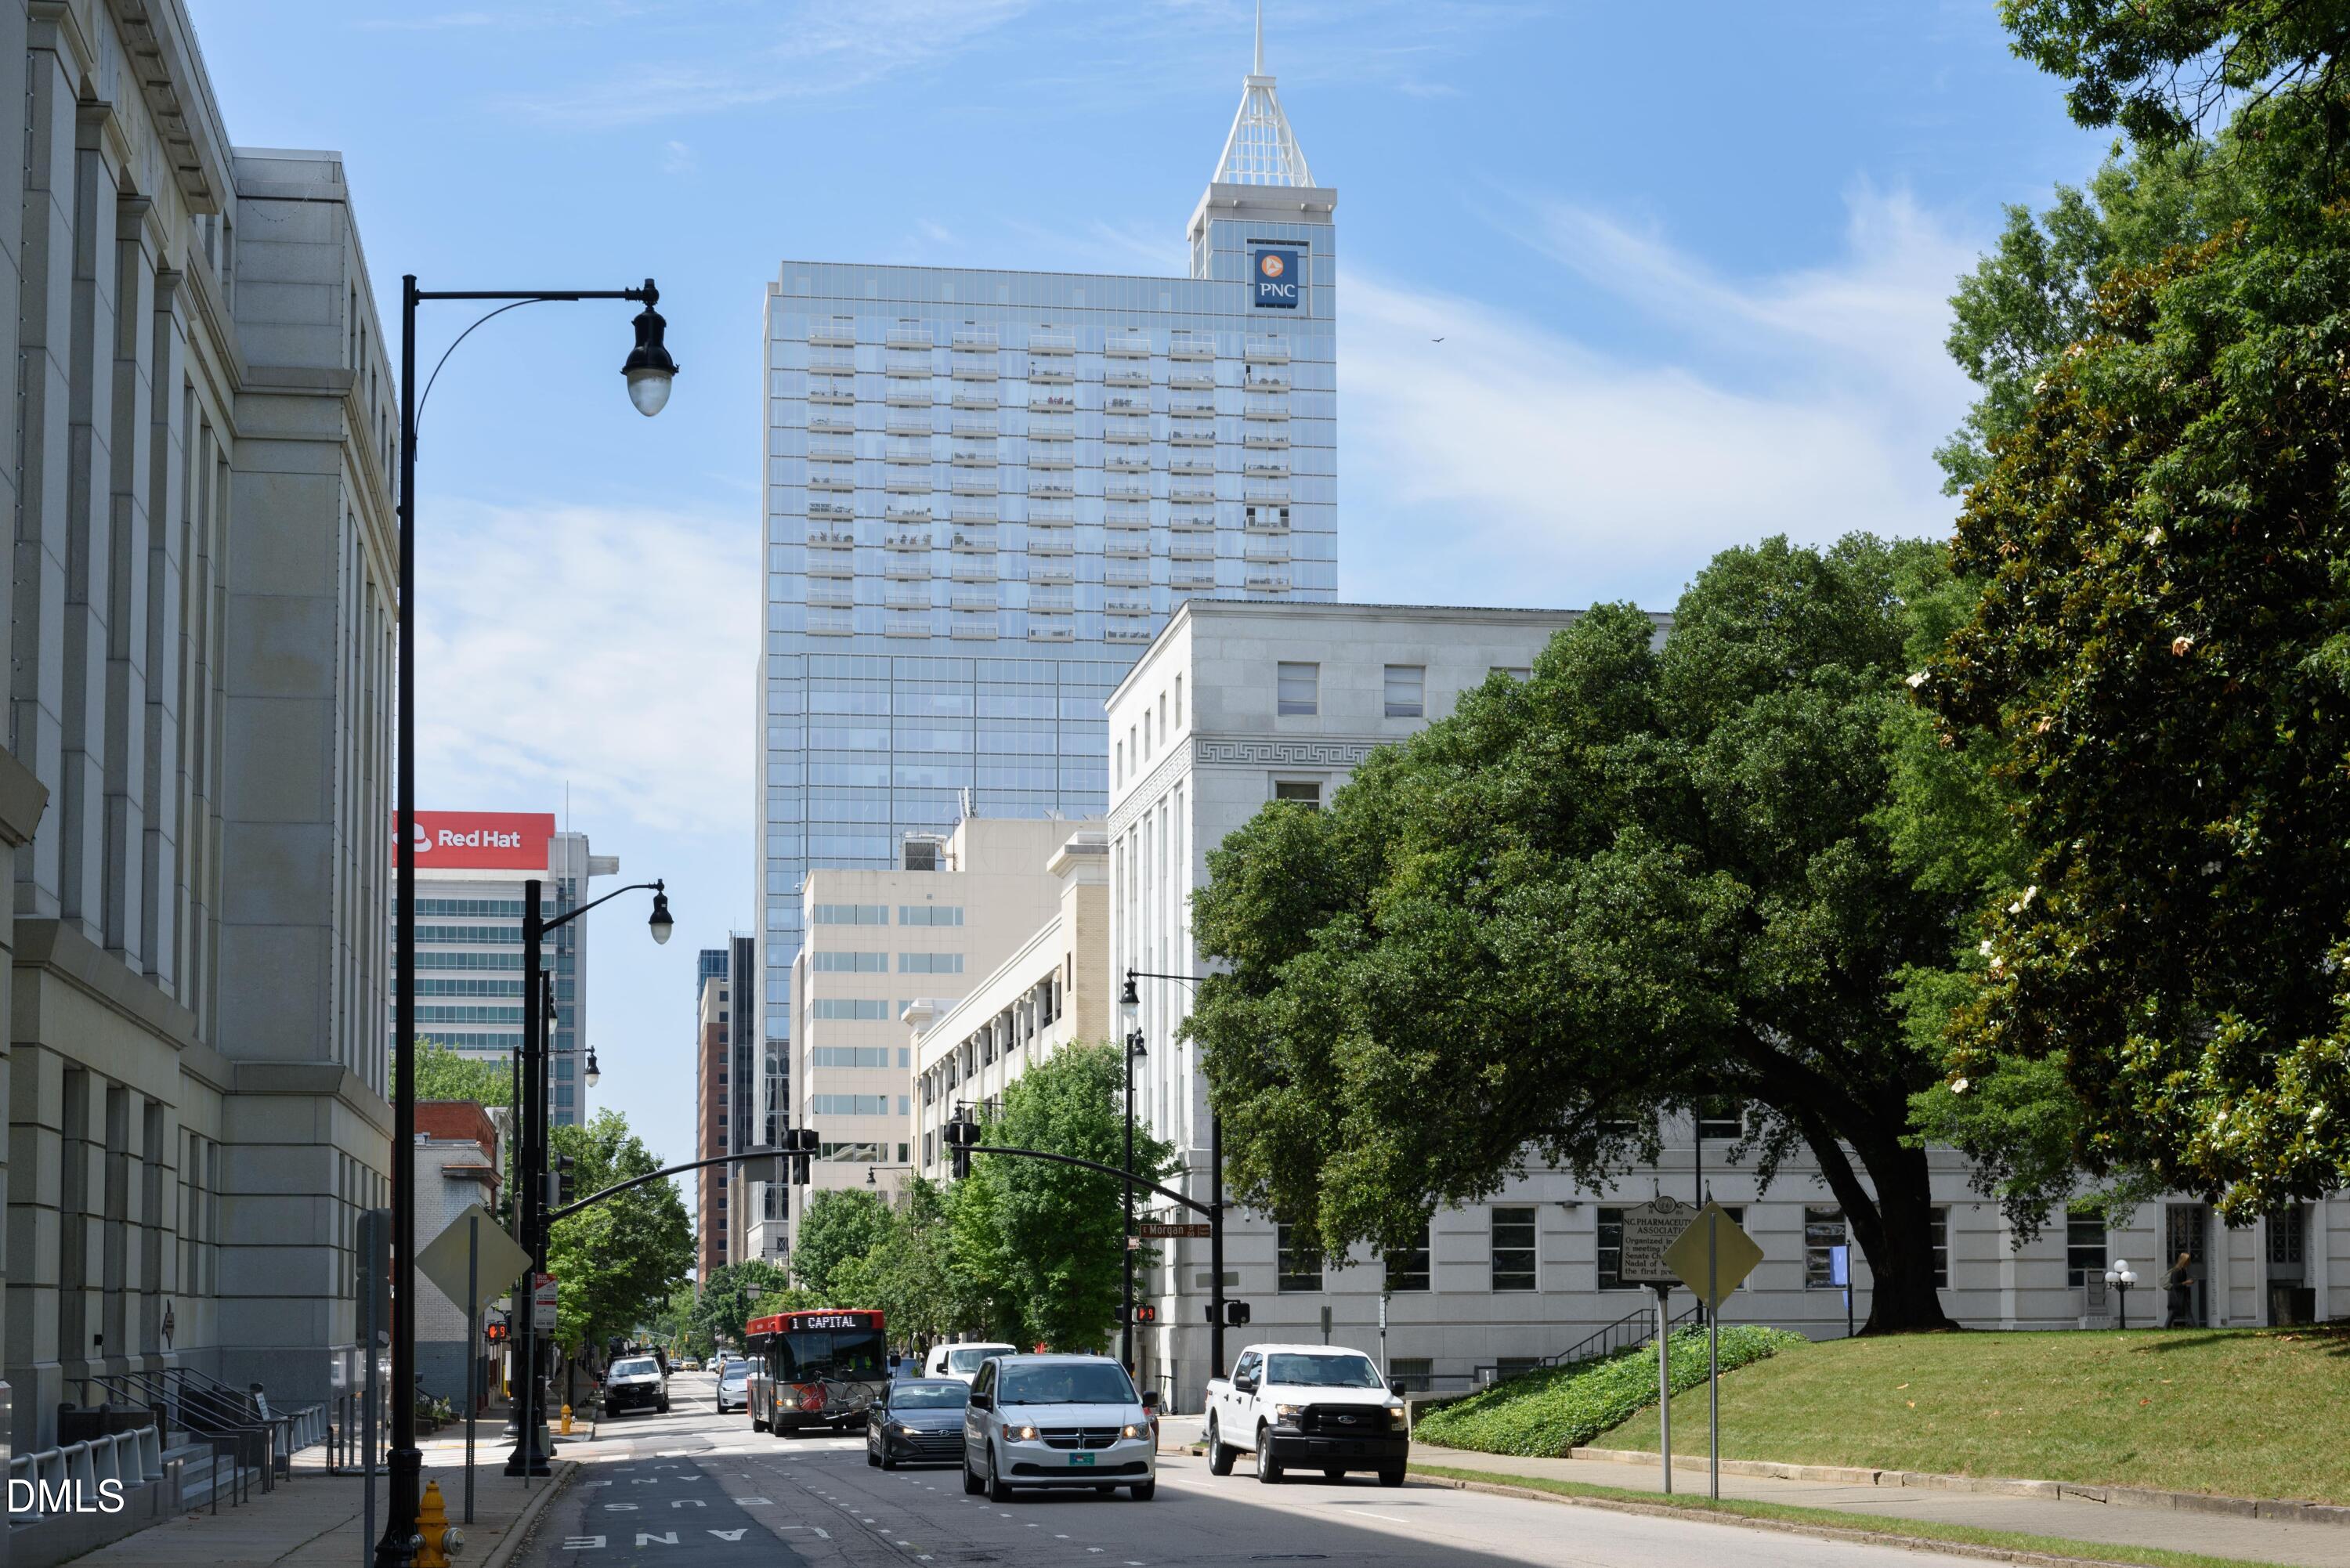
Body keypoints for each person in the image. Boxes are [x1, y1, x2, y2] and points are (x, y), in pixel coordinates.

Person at [2161, 1252, 2195, 1326]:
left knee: (2188, 1313)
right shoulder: (2176, 1271)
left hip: (2182, 1296)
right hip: (2176, 1297)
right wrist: (2186, 1282)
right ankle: (2165, 1328)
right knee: (2172, 1314)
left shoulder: (2183, 1271)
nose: (2189, 1262)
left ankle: (2194, 1327)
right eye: (2188, 1260)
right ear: (2184, 1260)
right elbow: (2175, 1286)